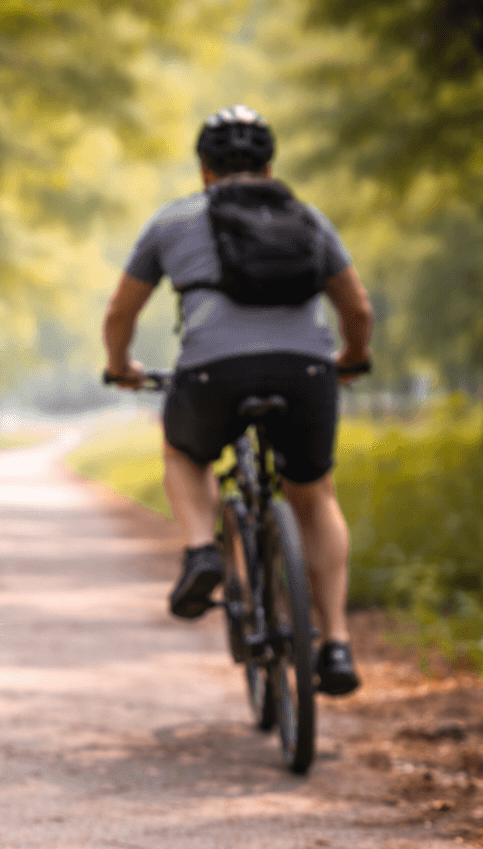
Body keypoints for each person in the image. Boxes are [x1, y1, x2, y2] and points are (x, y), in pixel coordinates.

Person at [102, 105, 374, 696]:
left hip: (209, 375)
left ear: (203, 169)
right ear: (271, 165)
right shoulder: (308, 218)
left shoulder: (172, 220)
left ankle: (202, 550)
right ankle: (336, 645)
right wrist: (351, 359)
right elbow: (357, 310)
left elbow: (122, 311)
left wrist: (121, 368)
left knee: (185, 453)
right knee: (314, 494)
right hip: (305, 372)